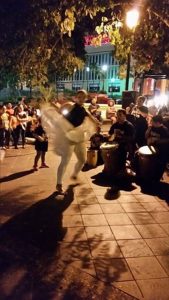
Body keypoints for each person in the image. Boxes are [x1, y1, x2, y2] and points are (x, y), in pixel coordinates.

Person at [41, 89, 98, 193]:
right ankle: (59, 183)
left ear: (86, 99)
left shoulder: (84, 110)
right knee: (65, 161)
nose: (81, 99)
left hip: (79, 137)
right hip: (68, 136)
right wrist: (52, 106)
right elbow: (59, 111)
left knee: (82, 159)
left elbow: (92, 119)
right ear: (76, 98)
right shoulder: (70, 105)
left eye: (83, 97)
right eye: (79, 97)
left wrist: (96, 123)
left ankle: (74, 175)